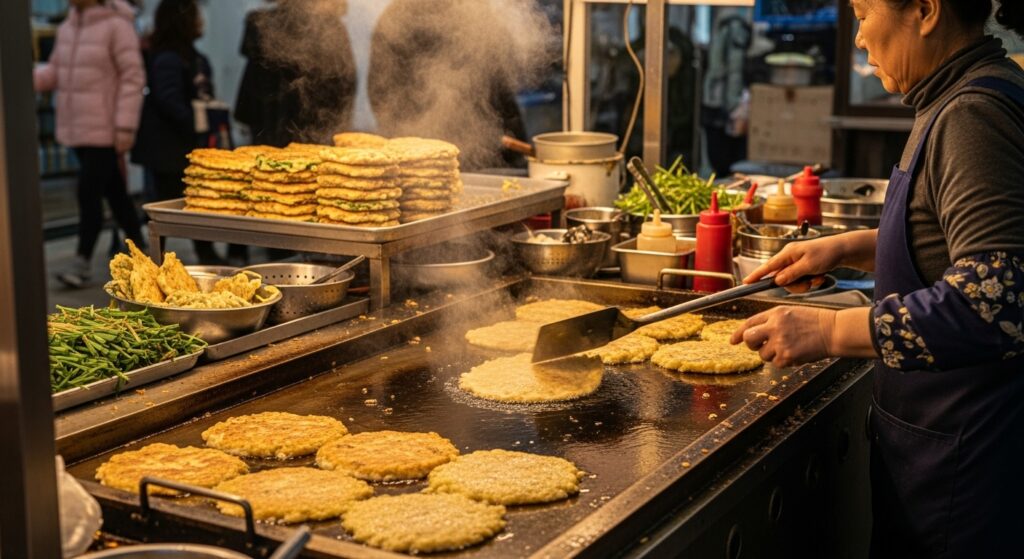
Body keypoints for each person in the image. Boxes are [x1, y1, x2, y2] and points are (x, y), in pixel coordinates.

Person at [731, 0, 1024, 555]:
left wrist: (827, 333)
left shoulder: (971, 116)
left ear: (926, 10)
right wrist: (848, 248)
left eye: (863, 14)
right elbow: (947, 244)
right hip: (946, 458)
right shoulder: (962, 93)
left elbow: (998, 301)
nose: (860, 39)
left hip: (966, 476)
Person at [34, 0, 146, 288]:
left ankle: (81, 263)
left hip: (105, 130)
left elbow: (133, 78)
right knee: (116, 195)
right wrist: (23, 75)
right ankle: (143, 252)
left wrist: (124, 125)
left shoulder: (117, 25)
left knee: (88, 192)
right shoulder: (69, 26)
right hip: (77, 130)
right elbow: (55, 73)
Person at [368, 0, 529, 169]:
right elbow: (382, 93)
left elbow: (502, 81)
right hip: (431, 156)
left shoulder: (477, 11)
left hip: (492, 145)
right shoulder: (400, 16)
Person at [131, 0, 224, 264]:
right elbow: (168, 99)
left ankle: (200, 255)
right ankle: (157, 262)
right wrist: (196, 125)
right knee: (169, 208)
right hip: (170, 148)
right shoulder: (170, 59)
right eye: (196, 17)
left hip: (180, 146)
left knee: (192, 204)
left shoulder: (187, 56)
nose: (201, 22)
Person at [235, 0, 357, 146]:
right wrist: (341, 125)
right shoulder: (330, 28)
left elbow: (249, 92)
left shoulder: (263, 25)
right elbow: (346, 85)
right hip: (318, 137)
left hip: (269, 135)